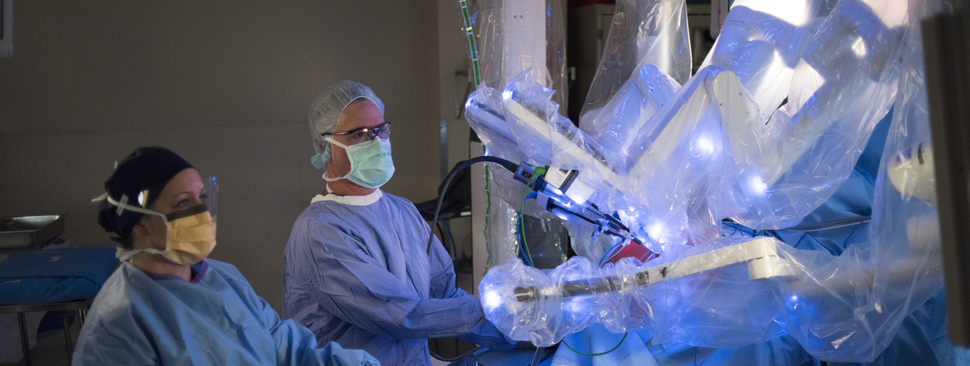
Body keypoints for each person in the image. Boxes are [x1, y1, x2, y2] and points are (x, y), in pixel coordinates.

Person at [73, 146, 380, 366]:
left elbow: (283, 346)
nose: (200, 213)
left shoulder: (222, 276)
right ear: (139, 222)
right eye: (183, 203)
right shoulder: (116, 326)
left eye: (201, 198)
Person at [283, 80, 515, 365]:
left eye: (381, 130)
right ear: (324, 146)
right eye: (360, 134)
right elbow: (401, 316)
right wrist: (506, 313)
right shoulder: (319, 230)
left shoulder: (402, 210)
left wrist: (518, 329)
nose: (377, 141)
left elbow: (444, 296)